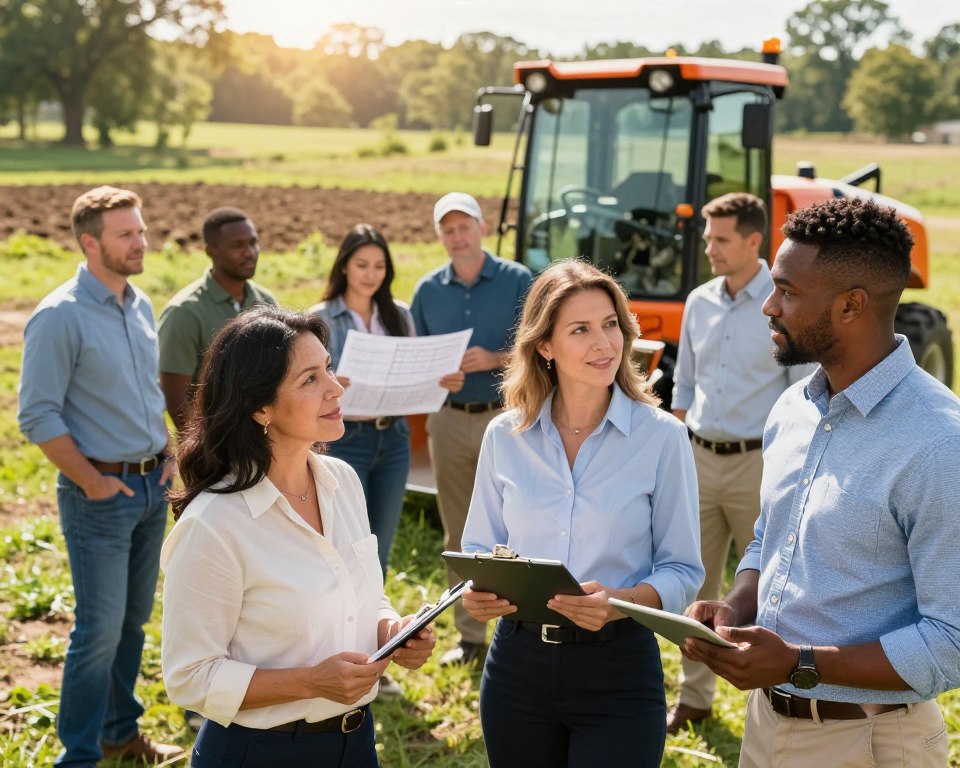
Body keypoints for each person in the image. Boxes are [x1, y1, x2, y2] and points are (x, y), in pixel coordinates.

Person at [681, 197, 960, 768]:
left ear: (851, 306)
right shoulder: (792, 407)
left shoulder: (939, 443)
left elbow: (951, 643)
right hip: (767, 726)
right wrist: (735, 608)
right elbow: (769, 537)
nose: (768, 305)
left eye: (787, 291)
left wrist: (796, 662)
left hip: (874, 742)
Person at [160, 306, 436, 768]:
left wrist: (391, 630)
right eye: (310, 379)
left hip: (357, 742)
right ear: (260, 407)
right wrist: (310, 682)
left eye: (328, 367)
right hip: (259, 753)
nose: (336, 387)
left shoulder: (342, 481)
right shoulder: (214, 524)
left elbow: (360, 594)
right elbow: (189, 678)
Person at [460, 260, 704, 767]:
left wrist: (622, 601)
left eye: (611, 325)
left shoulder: (662, 438)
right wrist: (476, 594)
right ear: (544, 346)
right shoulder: (505, 437)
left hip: (619, 667)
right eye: (581, 330)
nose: (604, 343)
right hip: (517, 667)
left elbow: (683, 570)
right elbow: (478, 550)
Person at [17, 186, 183, 767]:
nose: (142, 242)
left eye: (141, 230)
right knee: (97, 634)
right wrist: (90, 481)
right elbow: (37, 414)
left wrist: (167, 450)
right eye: (126, 234)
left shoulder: (139, 304)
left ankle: (120, 733)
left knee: (132, 625)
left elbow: (143, 395)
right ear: (91, 243)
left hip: (147, 488)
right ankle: (79, 757)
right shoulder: (59, 316)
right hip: (101, 497)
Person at [668, 192, 813, 732]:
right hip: (699, 459)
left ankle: (778, 697)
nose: (709, 247)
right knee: (697, 587)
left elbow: (801, 390)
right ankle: (694, 697)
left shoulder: (783, 304)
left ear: (754, 240)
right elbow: (683, 382)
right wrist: (675, 449)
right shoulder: (698, 301)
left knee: (770, 584)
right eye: (708, 237)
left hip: (761, 464)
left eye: (720, 238)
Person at [411, 192, 533, 666]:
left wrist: (494, 359)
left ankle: (519, 627)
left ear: (482, 229)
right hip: (449, 420)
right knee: (459, 531)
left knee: (520, 525)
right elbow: (420, 355)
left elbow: (539, 342)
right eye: (447, 230)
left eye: (464, 227)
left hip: (506, 419)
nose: (456, 237)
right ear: (440, 236)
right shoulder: (427, 291)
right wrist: (437, 374)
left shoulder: (517, 279)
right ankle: (470, 638)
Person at [310, 224, 463, 573]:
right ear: (344, 265)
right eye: (362, 265)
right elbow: (302, 383)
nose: (371, 275)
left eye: (379, 267)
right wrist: (330, 381)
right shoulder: (319, 318)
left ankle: (375, 624)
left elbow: (410, 375)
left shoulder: (400, 314)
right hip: (344, 440)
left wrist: (439, 381)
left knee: (380, 548)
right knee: (345, 545)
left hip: (394, 438)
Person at [158, 206, 277, 432]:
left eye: (253, 242)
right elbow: (176, 398)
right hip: (215, 448)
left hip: (266, 442)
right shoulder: (184, 312)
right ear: (211, 251)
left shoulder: (267, 302)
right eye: (237, 246)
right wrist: (206, 452)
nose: (250, 252)